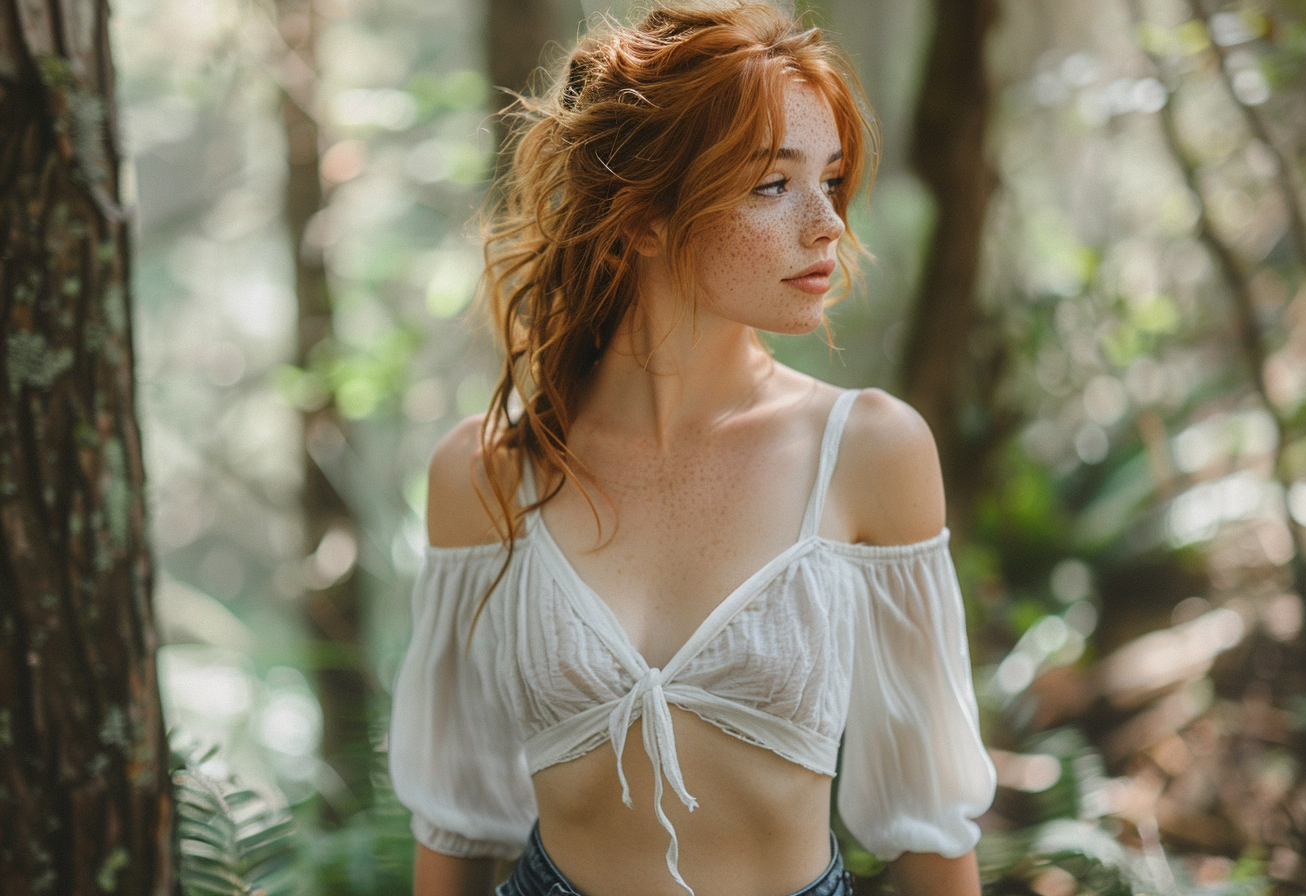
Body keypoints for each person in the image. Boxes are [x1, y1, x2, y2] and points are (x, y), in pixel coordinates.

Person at [388, 4, 997, 895]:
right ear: (641, 215)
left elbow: (930, 831)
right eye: (772, 185)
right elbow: (457, 827)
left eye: (831, 178)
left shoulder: (869, 451)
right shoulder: (487, 475)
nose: (827, 224)